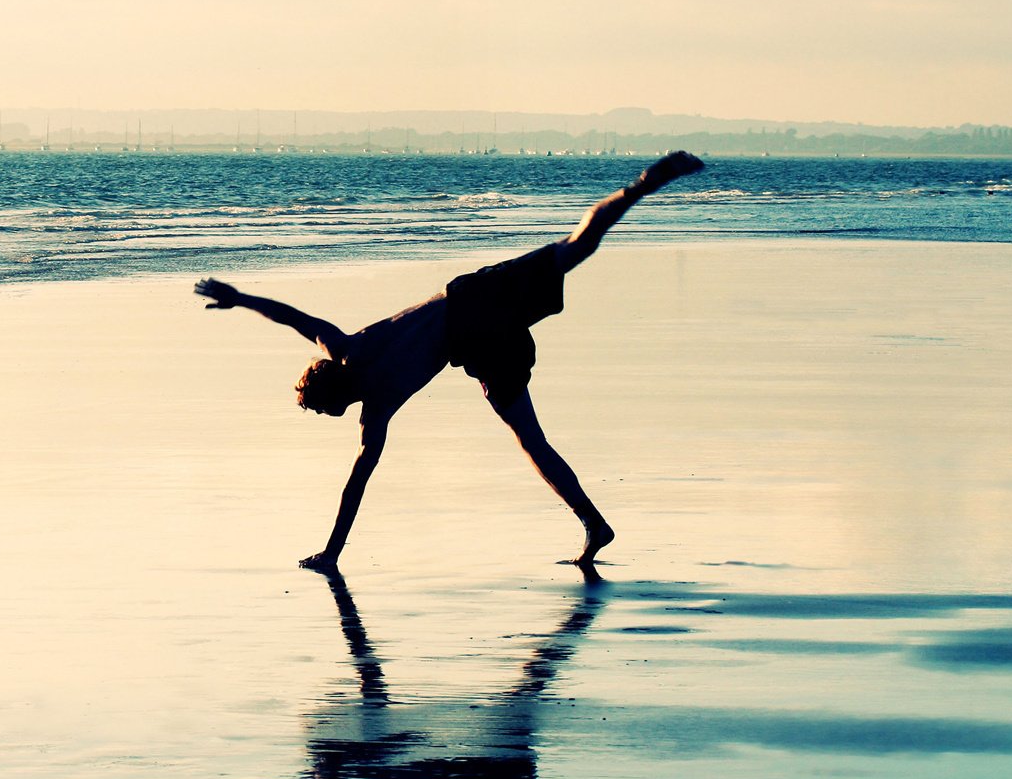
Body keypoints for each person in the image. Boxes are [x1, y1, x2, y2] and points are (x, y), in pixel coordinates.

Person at [194, 151, 704, 582]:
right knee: (574, 249)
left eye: (324, 412)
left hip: (477, 337)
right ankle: (640, 187)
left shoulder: (375, 406)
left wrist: (332, 552)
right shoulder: (349, 347)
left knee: (532, 440)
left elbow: (356, 484)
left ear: (332, 397)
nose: (330, 418)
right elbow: (293, 317)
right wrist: (238, 298)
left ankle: (594, 523)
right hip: (472, 304)